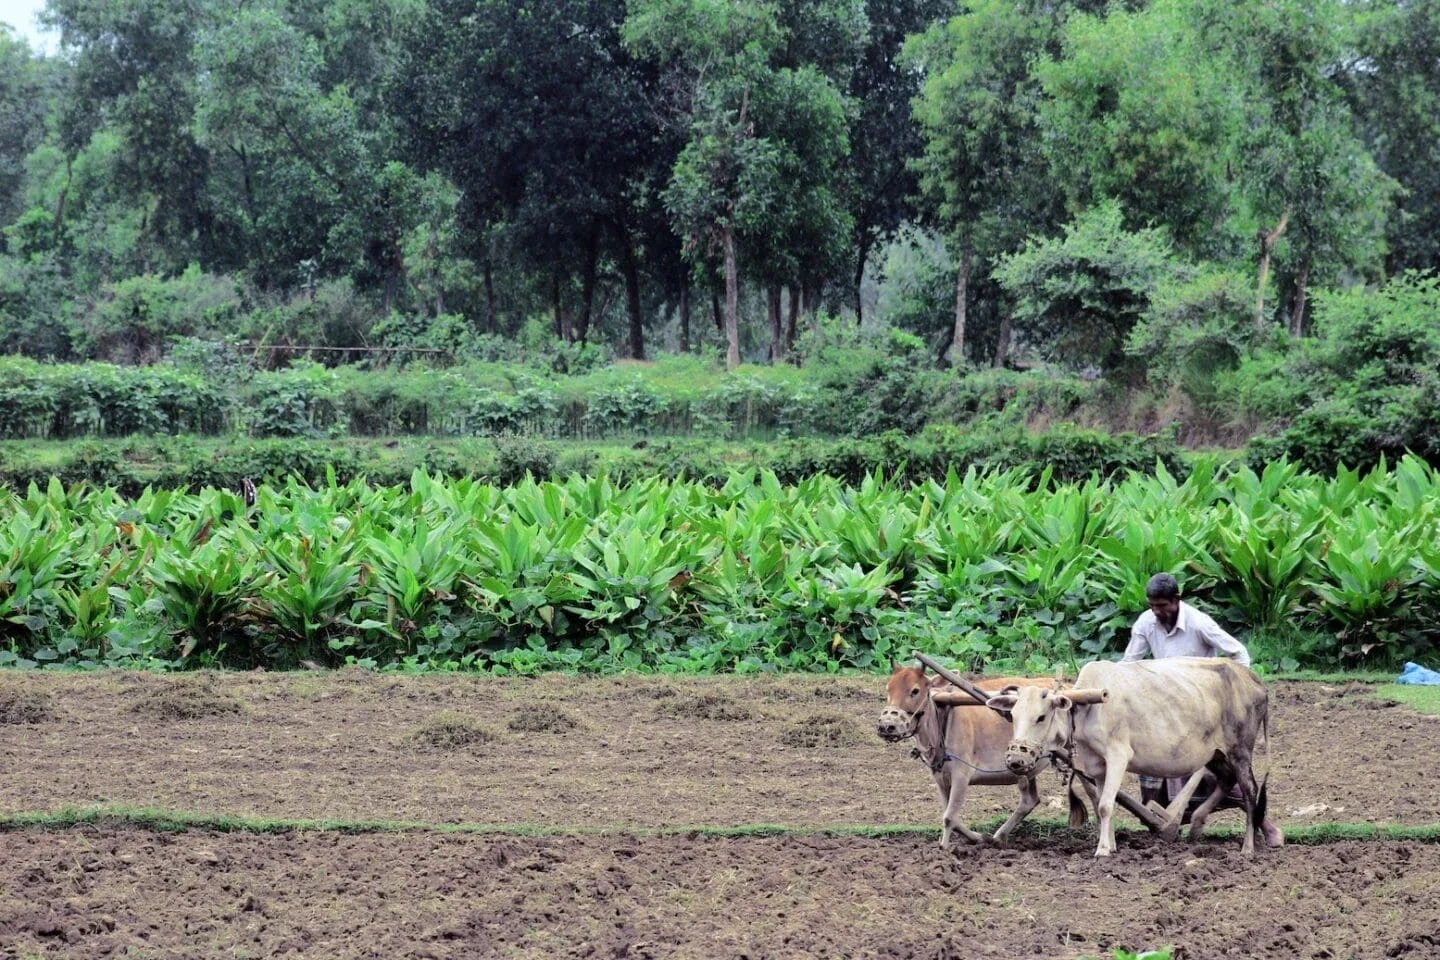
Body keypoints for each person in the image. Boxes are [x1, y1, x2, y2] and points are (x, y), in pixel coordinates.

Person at [1122, 572, 1285, 848]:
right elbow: (1128, 664)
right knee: (1156, 762)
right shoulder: (1145, 623)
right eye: (1152, 606)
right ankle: (1179, 821)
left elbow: (1239, 654)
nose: (1157, 611)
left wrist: (1232, 697)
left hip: (1203, 707)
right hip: (1168, 705)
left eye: (1162, 606)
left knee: (1224, 771)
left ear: (1176, 600)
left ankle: (1267, 826)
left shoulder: (1199, 623)